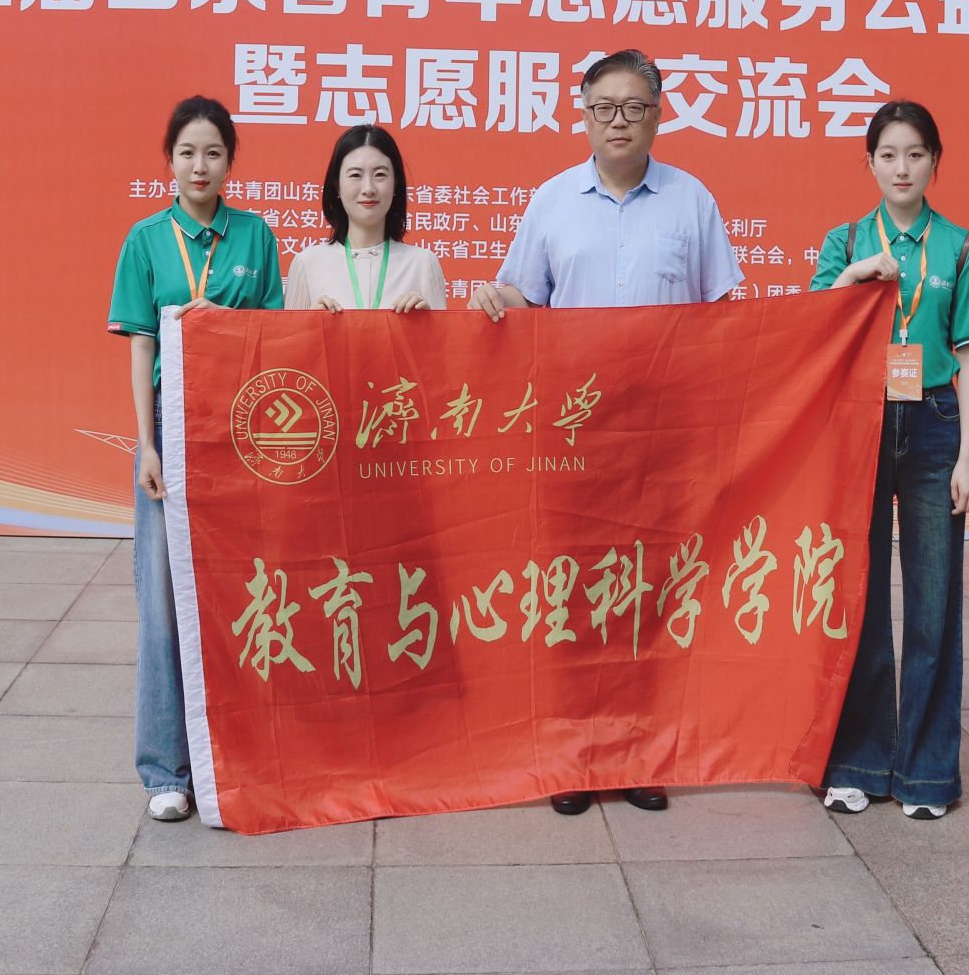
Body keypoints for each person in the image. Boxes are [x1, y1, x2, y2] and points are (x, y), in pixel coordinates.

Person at [470, 48, 741, 815]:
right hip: (572, 434)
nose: (618, 121)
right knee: (573, 593)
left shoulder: (692, 201)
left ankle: (639, 754)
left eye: (633, 107)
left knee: (650, 594)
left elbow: (723, 316)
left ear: (658, 114)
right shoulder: (552, 201)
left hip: (661, 435)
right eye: (603, 107)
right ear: (584, 114)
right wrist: (496, 299)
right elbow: (526, 300)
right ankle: (572, 758)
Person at [810, 99, 969, 820]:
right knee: (858, 597)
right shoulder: (846, 240)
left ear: (935, 162)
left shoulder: (960, 247)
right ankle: (856, 761)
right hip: (859, 421)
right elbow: (813, 326)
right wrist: (857, 274)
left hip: (936, 421)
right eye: (888, 155)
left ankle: (924, 773)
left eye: (915, 154)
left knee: (932, 602)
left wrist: (968, 457)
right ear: (869, 163)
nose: (902, 168)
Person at [107, 96, 285, 822]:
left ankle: (243, 757)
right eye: (187, 153)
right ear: (169, 161)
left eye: (213, 153)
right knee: (162, 603)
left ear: (229, 161)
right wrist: (145, 444)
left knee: (243, 596)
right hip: (170, 435)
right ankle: (165, 772)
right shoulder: (146, 240)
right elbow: (141, 345)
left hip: (238, 435)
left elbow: (273, 339)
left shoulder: (256, 235)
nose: (200, 166)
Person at [285, 125, 448, 313]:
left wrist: (426, 323)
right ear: (337, 185)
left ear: (396, 183)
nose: (368, 188)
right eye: (355, 175)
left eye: (380, 175)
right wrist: (309, 324)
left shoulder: (422, 263)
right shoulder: (307, 263)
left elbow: (443, 333)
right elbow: (289, 333)